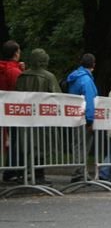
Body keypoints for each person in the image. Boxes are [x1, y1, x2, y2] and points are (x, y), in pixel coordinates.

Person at [15, 48, 60, 184]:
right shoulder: (48, 77)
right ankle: (39, 175)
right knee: (41, 146)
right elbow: (57, 97)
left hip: (25, 118)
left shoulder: (22, 76)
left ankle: (25, 173)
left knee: (25, 144)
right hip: (43, 118)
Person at [66, 53, 99, 181]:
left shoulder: (75, 77)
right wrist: (90, 120)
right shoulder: (86, 80)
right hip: (84, 118)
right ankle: (80, 172)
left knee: (77, 144)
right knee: (83, 145)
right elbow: (89, 100)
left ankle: (78, 170)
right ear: (93, 64)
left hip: (75, 115)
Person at [1, 41, 24, 182]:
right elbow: (20, 90)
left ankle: (10, 170)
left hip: (4, 110)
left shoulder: (4, 69)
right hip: (14, 111)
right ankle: (13, 170)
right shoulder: (14, 72)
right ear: (16, 53)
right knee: (17, 140)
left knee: (11, 140)